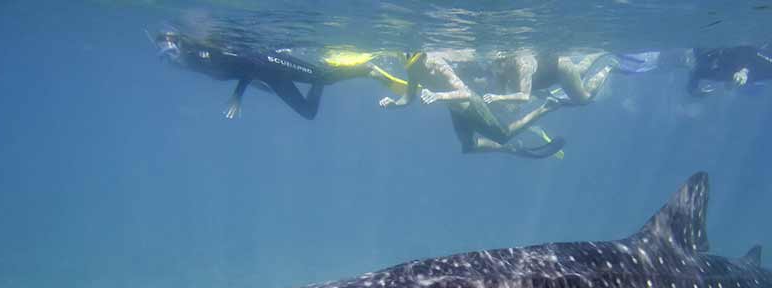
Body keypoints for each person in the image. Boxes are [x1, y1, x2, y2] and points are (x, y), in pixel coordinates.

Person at [151, 29, 400, 120]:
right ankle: (322, 72)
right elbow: (240, 69)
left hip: (269, 62)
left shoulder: (205, 54)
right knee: (308, 112)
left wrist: (239, 95)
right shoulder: (196, 63)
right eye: (165, 56)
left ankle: (367, 69)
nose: (172, 58)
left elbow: (246, 63)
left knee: (327, 77)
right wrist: (256, 85)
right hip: (267, 74)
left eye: (171, 50)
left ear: (180, 43)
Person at [380, 51, 564, 159]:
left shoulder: (438, 65)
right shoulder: (414, 71)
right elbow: (409, 96)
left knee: (504, 134)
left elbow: (466, 92)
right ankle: (510, 149)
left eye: (415, 64)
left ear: (422, 58)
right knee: (468, 147)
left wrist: (438, 96)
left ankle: (545, 108)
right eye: (410, 66)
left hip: (469, 105)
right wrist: (395, 104)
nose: (412, 69)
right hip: (454, 108)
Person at [483, 51, 614, 107]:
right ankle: (600, 52)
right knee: (581, 70)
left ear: (508, 59)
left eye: (500, 63)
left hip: (561, 70)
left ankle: (609, 67)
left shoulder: (522, 66)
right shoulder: (498, 68)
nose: (497, 69)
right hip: (554, 69)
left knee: (583, 99)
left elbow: (524, 96)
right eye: (494, 64)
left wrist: (498, 98)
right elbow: (501, 93)